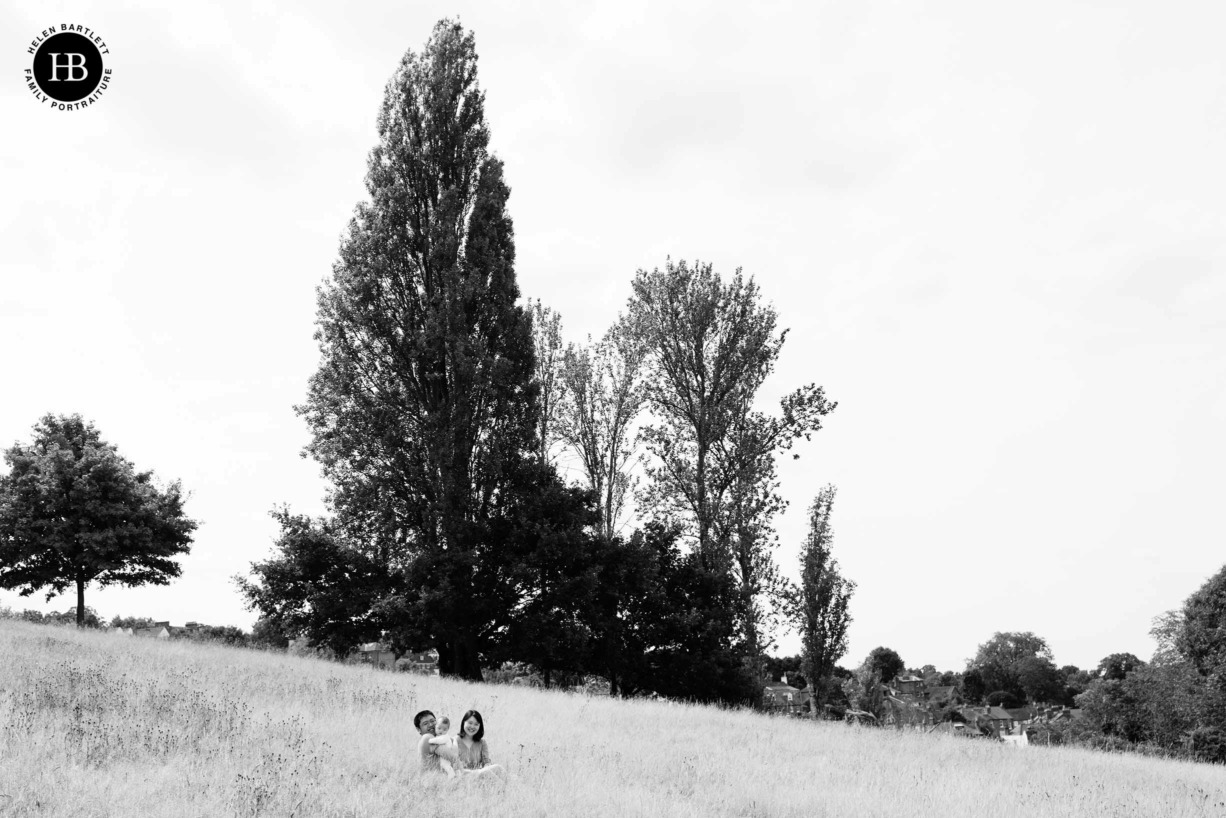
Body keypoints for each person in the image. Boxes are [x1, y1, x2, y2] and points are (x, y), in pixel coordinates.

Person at [454, 710, 505, 781]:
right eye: (470, 723)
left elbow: (486, 762)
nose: (472, 726)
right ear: (463, 723)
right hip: (462, 775)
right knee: (487, 773)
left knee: (498, 768)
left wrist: (486, 767)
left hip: (479, 775)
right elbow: (455, 765)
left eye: (476, 724)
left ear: (479, 726)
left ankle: (506, 789)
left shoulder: (482, 743)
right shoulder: (455, 741)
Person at [414, 709, 446, 775]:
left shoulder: (436, 739)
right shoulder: (428, 737)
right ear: (419, 729)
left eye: (433, 721)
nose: (431, 724)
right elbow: (453, 757)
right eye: (425, 723)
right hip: (434, 782)